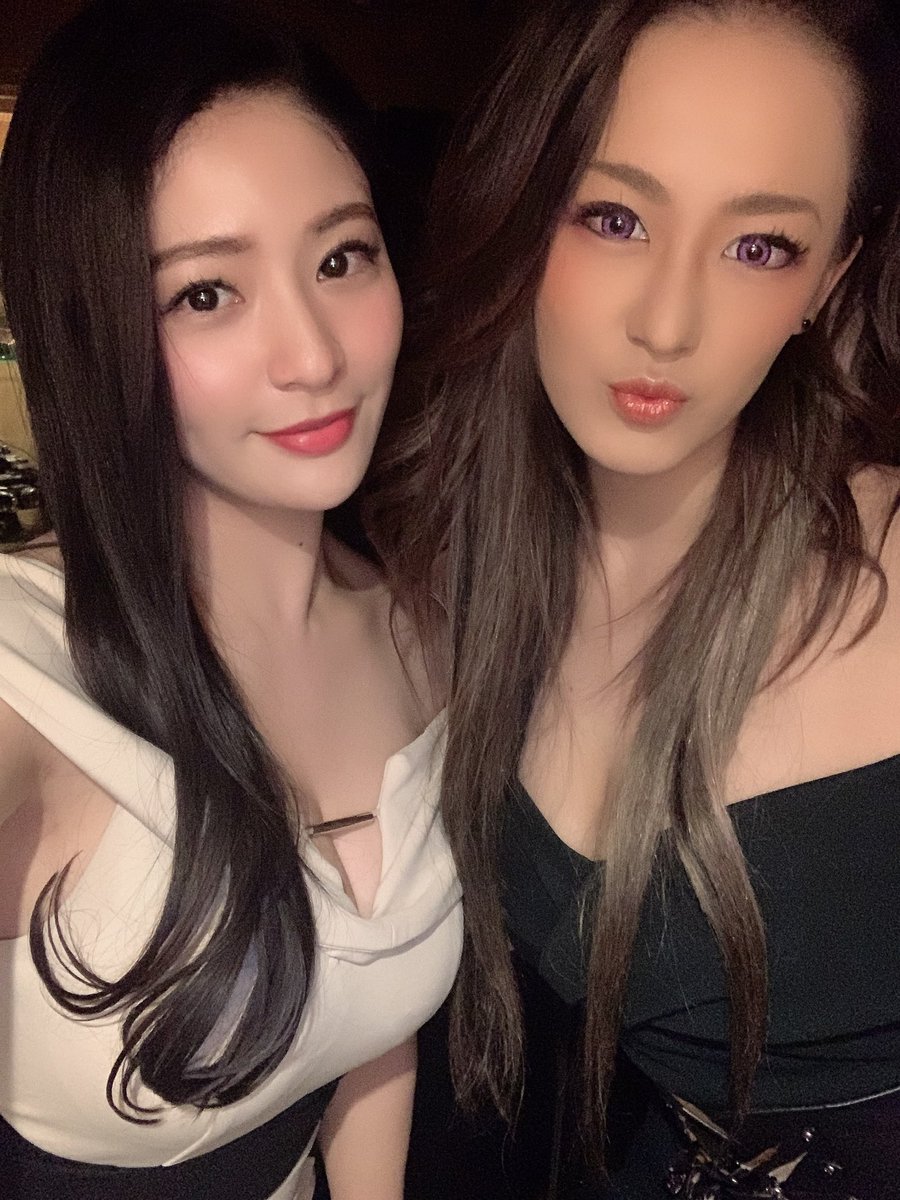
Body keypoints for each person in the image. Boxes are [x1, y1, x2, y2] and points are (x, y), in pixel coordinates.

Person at [373, 0, 900, 1195]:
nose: (667, 322)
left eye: (760, 247)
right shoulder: (456, 568)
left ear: (831, 277)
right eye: (614, 219)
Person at [0, 2, 461, 1197]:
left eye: (341, 258)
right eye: (207, 293)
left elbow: (371, 1019)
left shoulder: (421, 627)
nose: (315, 355)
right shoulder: (28, 677)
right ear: (95, 328)